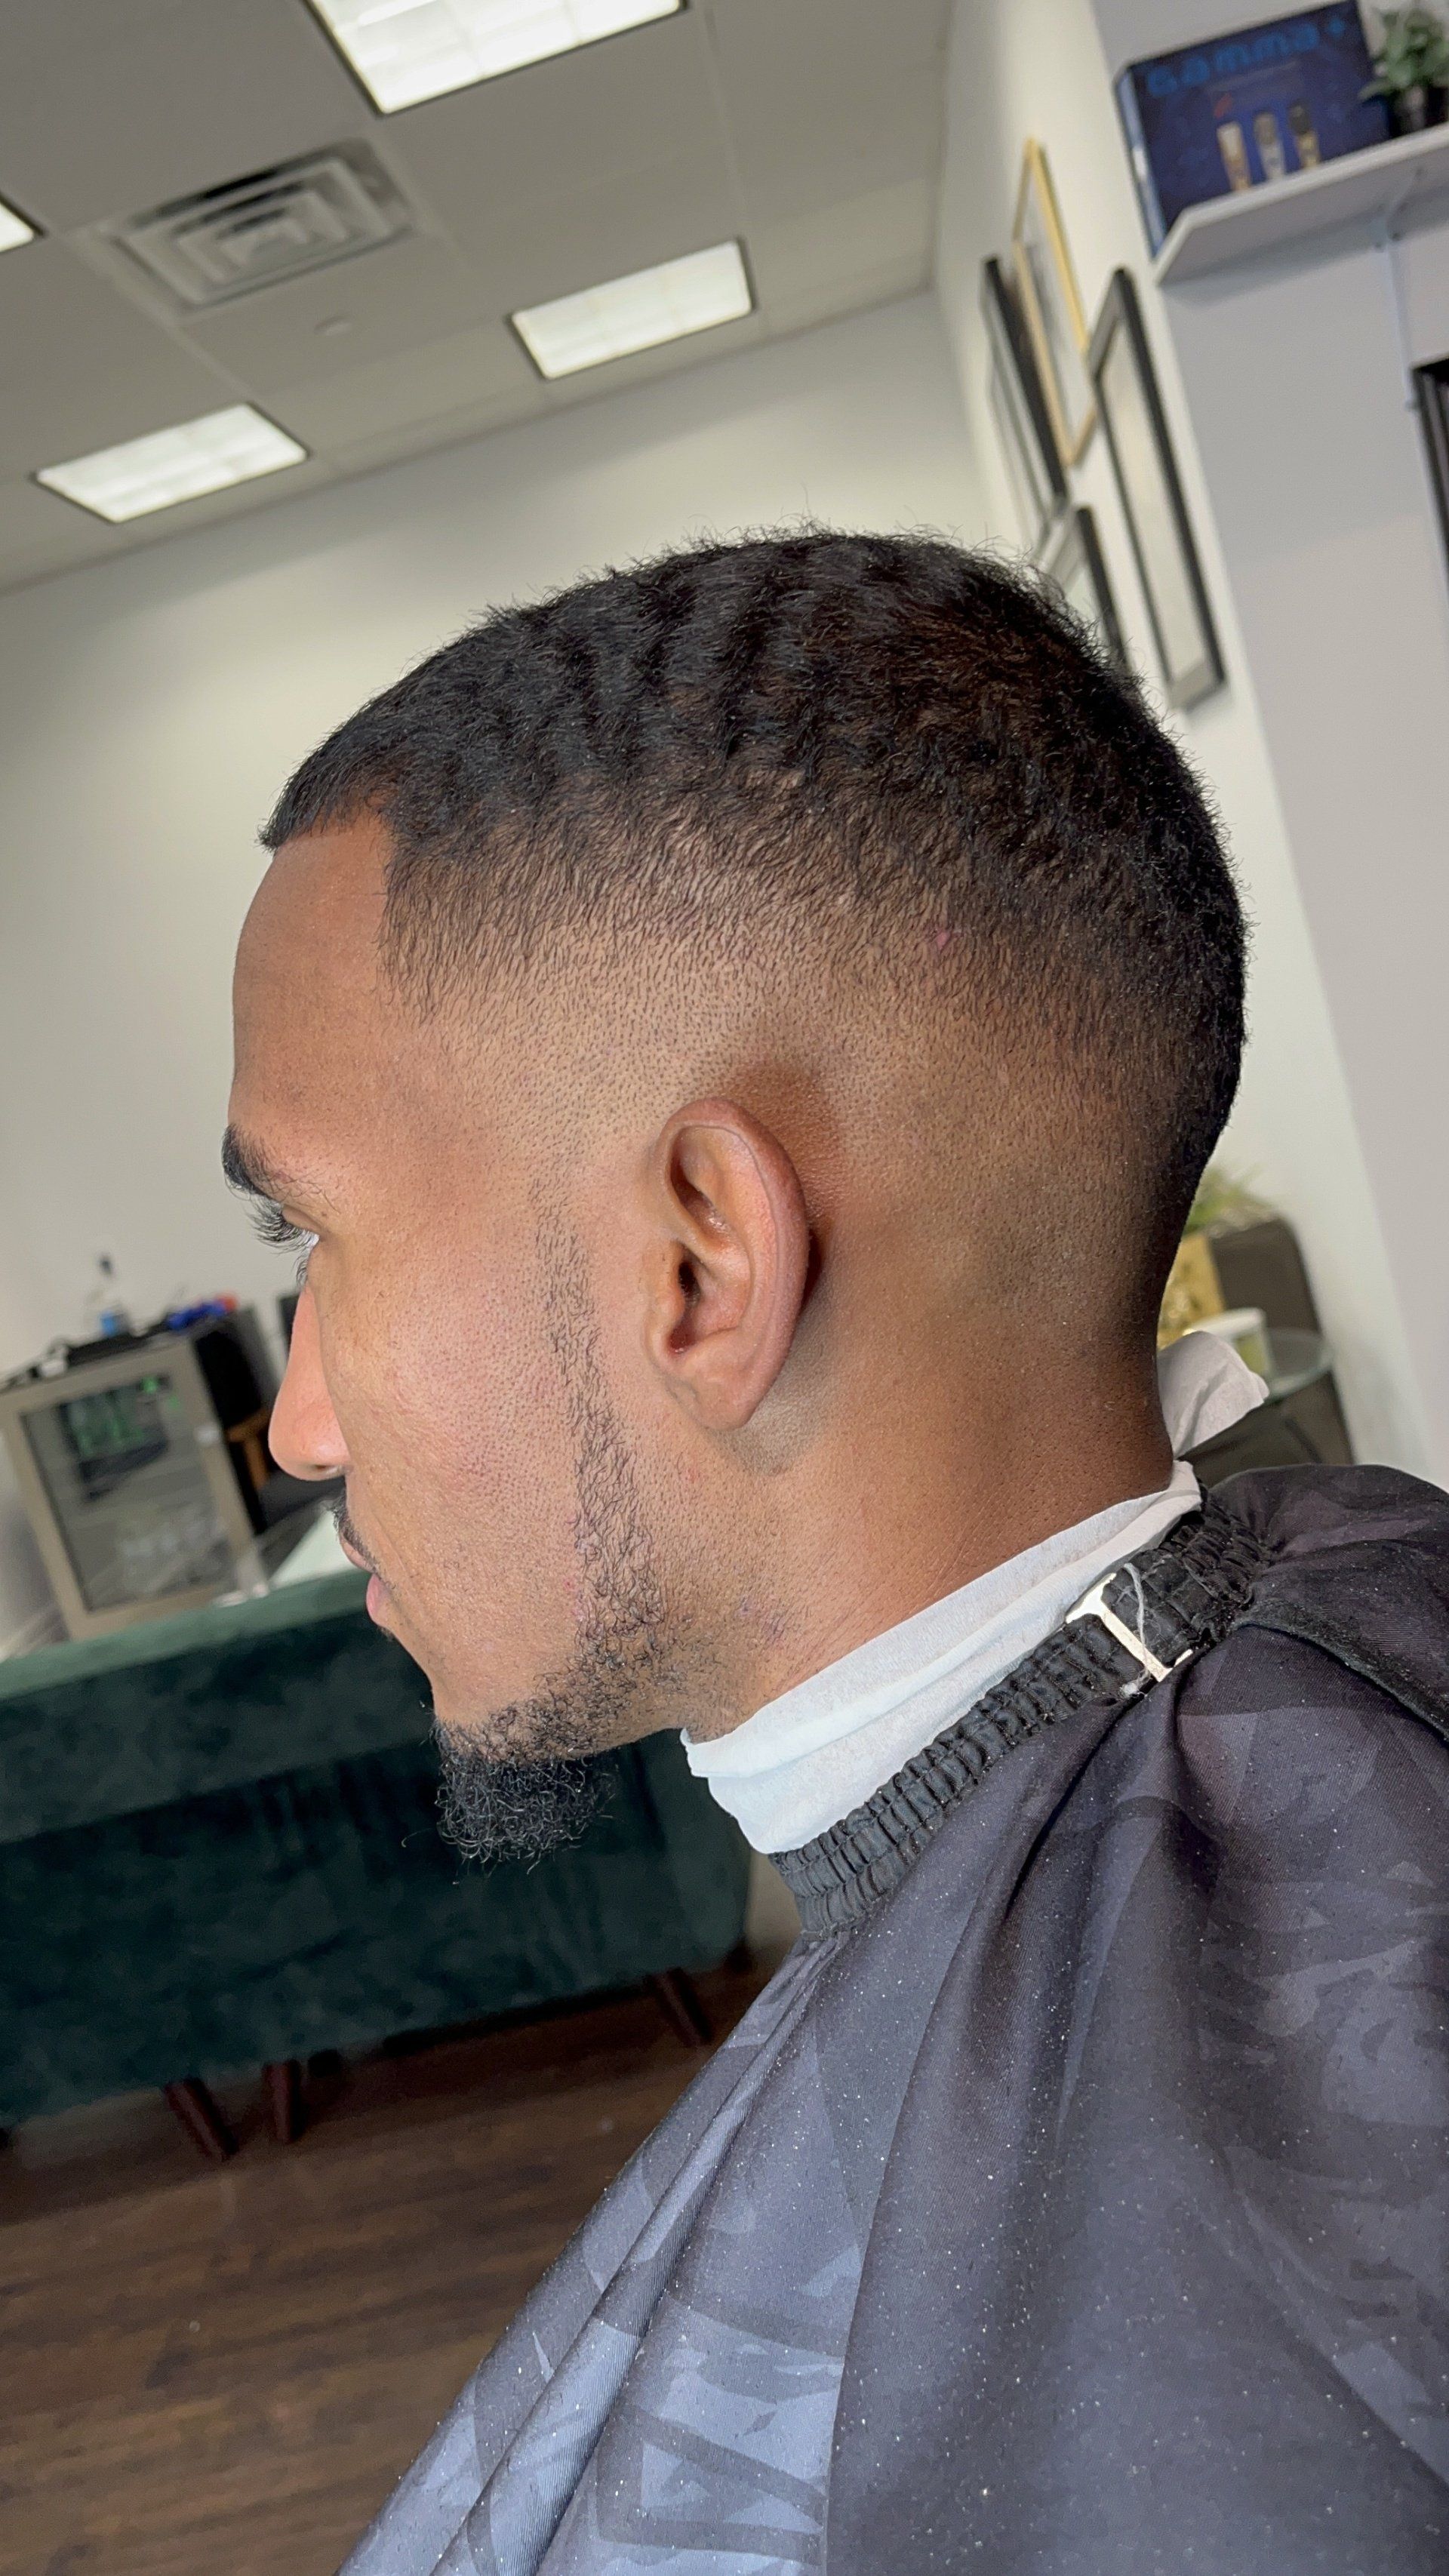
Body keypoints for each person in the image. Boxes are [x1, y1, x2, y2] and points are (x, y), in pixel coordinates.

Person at [226, 533, 1449, 2574]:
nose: (300, 1426)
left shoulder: (1237, 2286)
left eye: (311, 1240)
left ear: (702, 1261)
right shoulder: (1365, 1591)